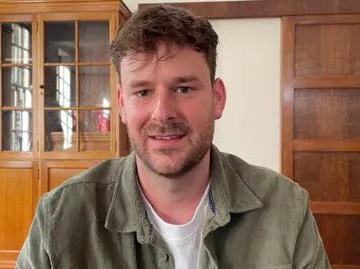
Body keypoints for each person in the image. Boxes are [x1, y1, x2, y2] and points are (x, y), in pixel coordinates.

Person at [16, 4, 330, 269]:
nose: (162, 112)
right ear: (123, 106)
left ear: (217, 98)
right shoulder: (58, 217)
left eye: (183, 88)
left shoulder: (286, 209)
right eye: (142, 91)